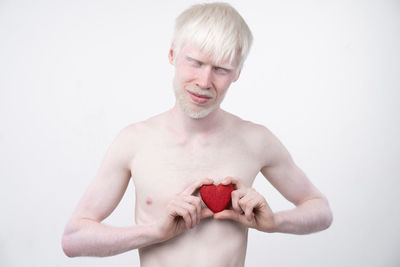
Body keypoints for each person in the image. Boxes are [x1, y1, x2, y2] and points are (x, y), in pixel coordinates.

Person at [61, 2, 333, 266]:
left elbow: (320, 210)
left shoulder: (257, 140)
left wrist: (275, 223)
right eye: (195, 62)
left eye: (221, 70)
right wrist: (156, 231)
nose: (204, 82)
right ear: (172, 55)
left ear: (237, 72)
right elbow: (74, 239)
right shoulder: (134, 141)